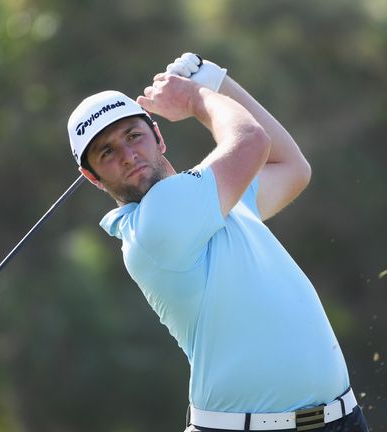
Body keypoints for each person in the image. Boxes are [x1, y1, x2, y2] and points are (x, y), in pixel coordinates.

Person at [66, 53, 369, 432]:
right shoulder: (156, 221)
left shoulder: (212, 199)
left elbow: (290, 167)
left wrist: (216, 81)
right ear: (92, 177)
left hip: (341, 420)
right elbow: (252, 140)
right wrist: (197, 97)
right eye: (107, 152)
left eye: (133, 136)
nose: (128, 156)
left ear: (157, 136)